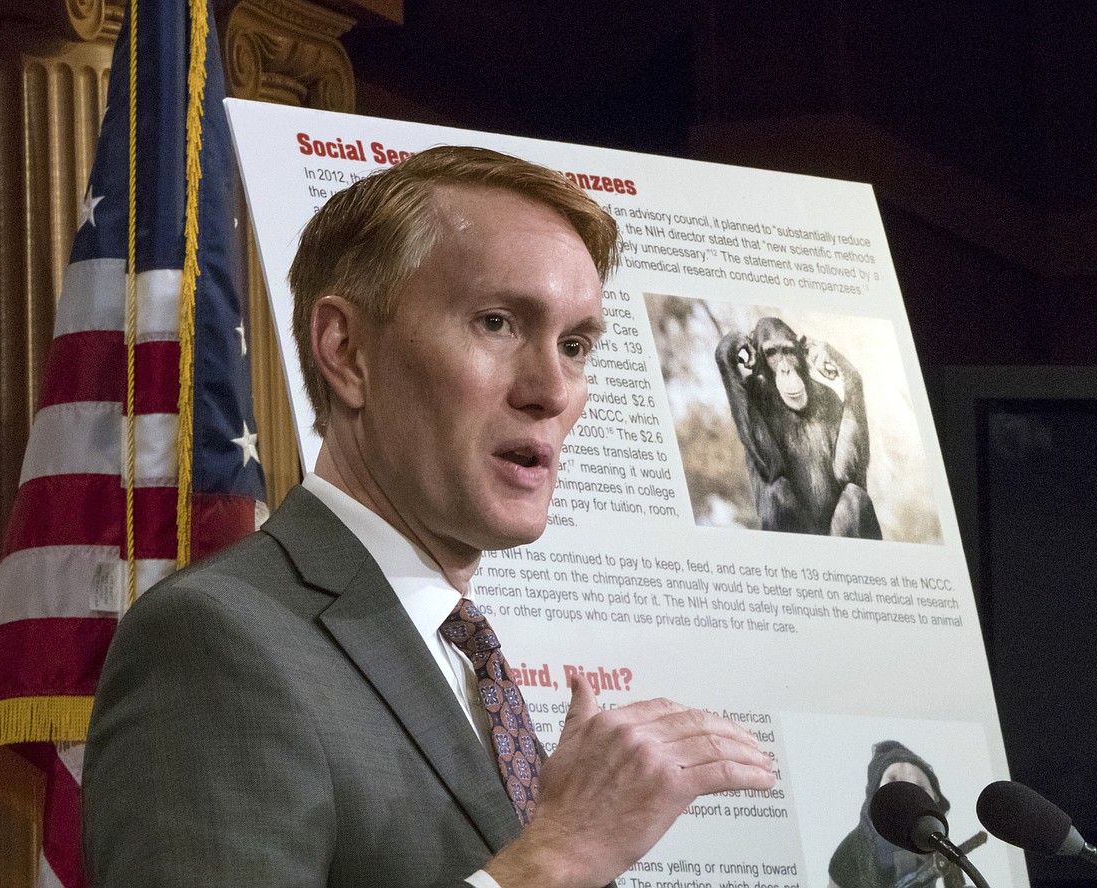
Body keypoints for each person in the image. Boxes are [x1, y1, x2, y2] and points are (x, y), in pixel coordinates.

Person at [83, 146, 775, 888]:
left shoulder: (463, 656)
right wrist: (555, 858)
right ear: (346, 351)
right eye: (498, 322)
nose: (551, 389)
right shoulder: (214, 640)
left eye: (574, 345)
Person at [828, 741, 950, 888]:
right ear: (874, 792)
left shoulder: (937, 839)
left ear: (935, 798)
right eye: (893, 780)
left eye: (920, 787)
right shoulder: (851, 849)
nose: (907, 795)